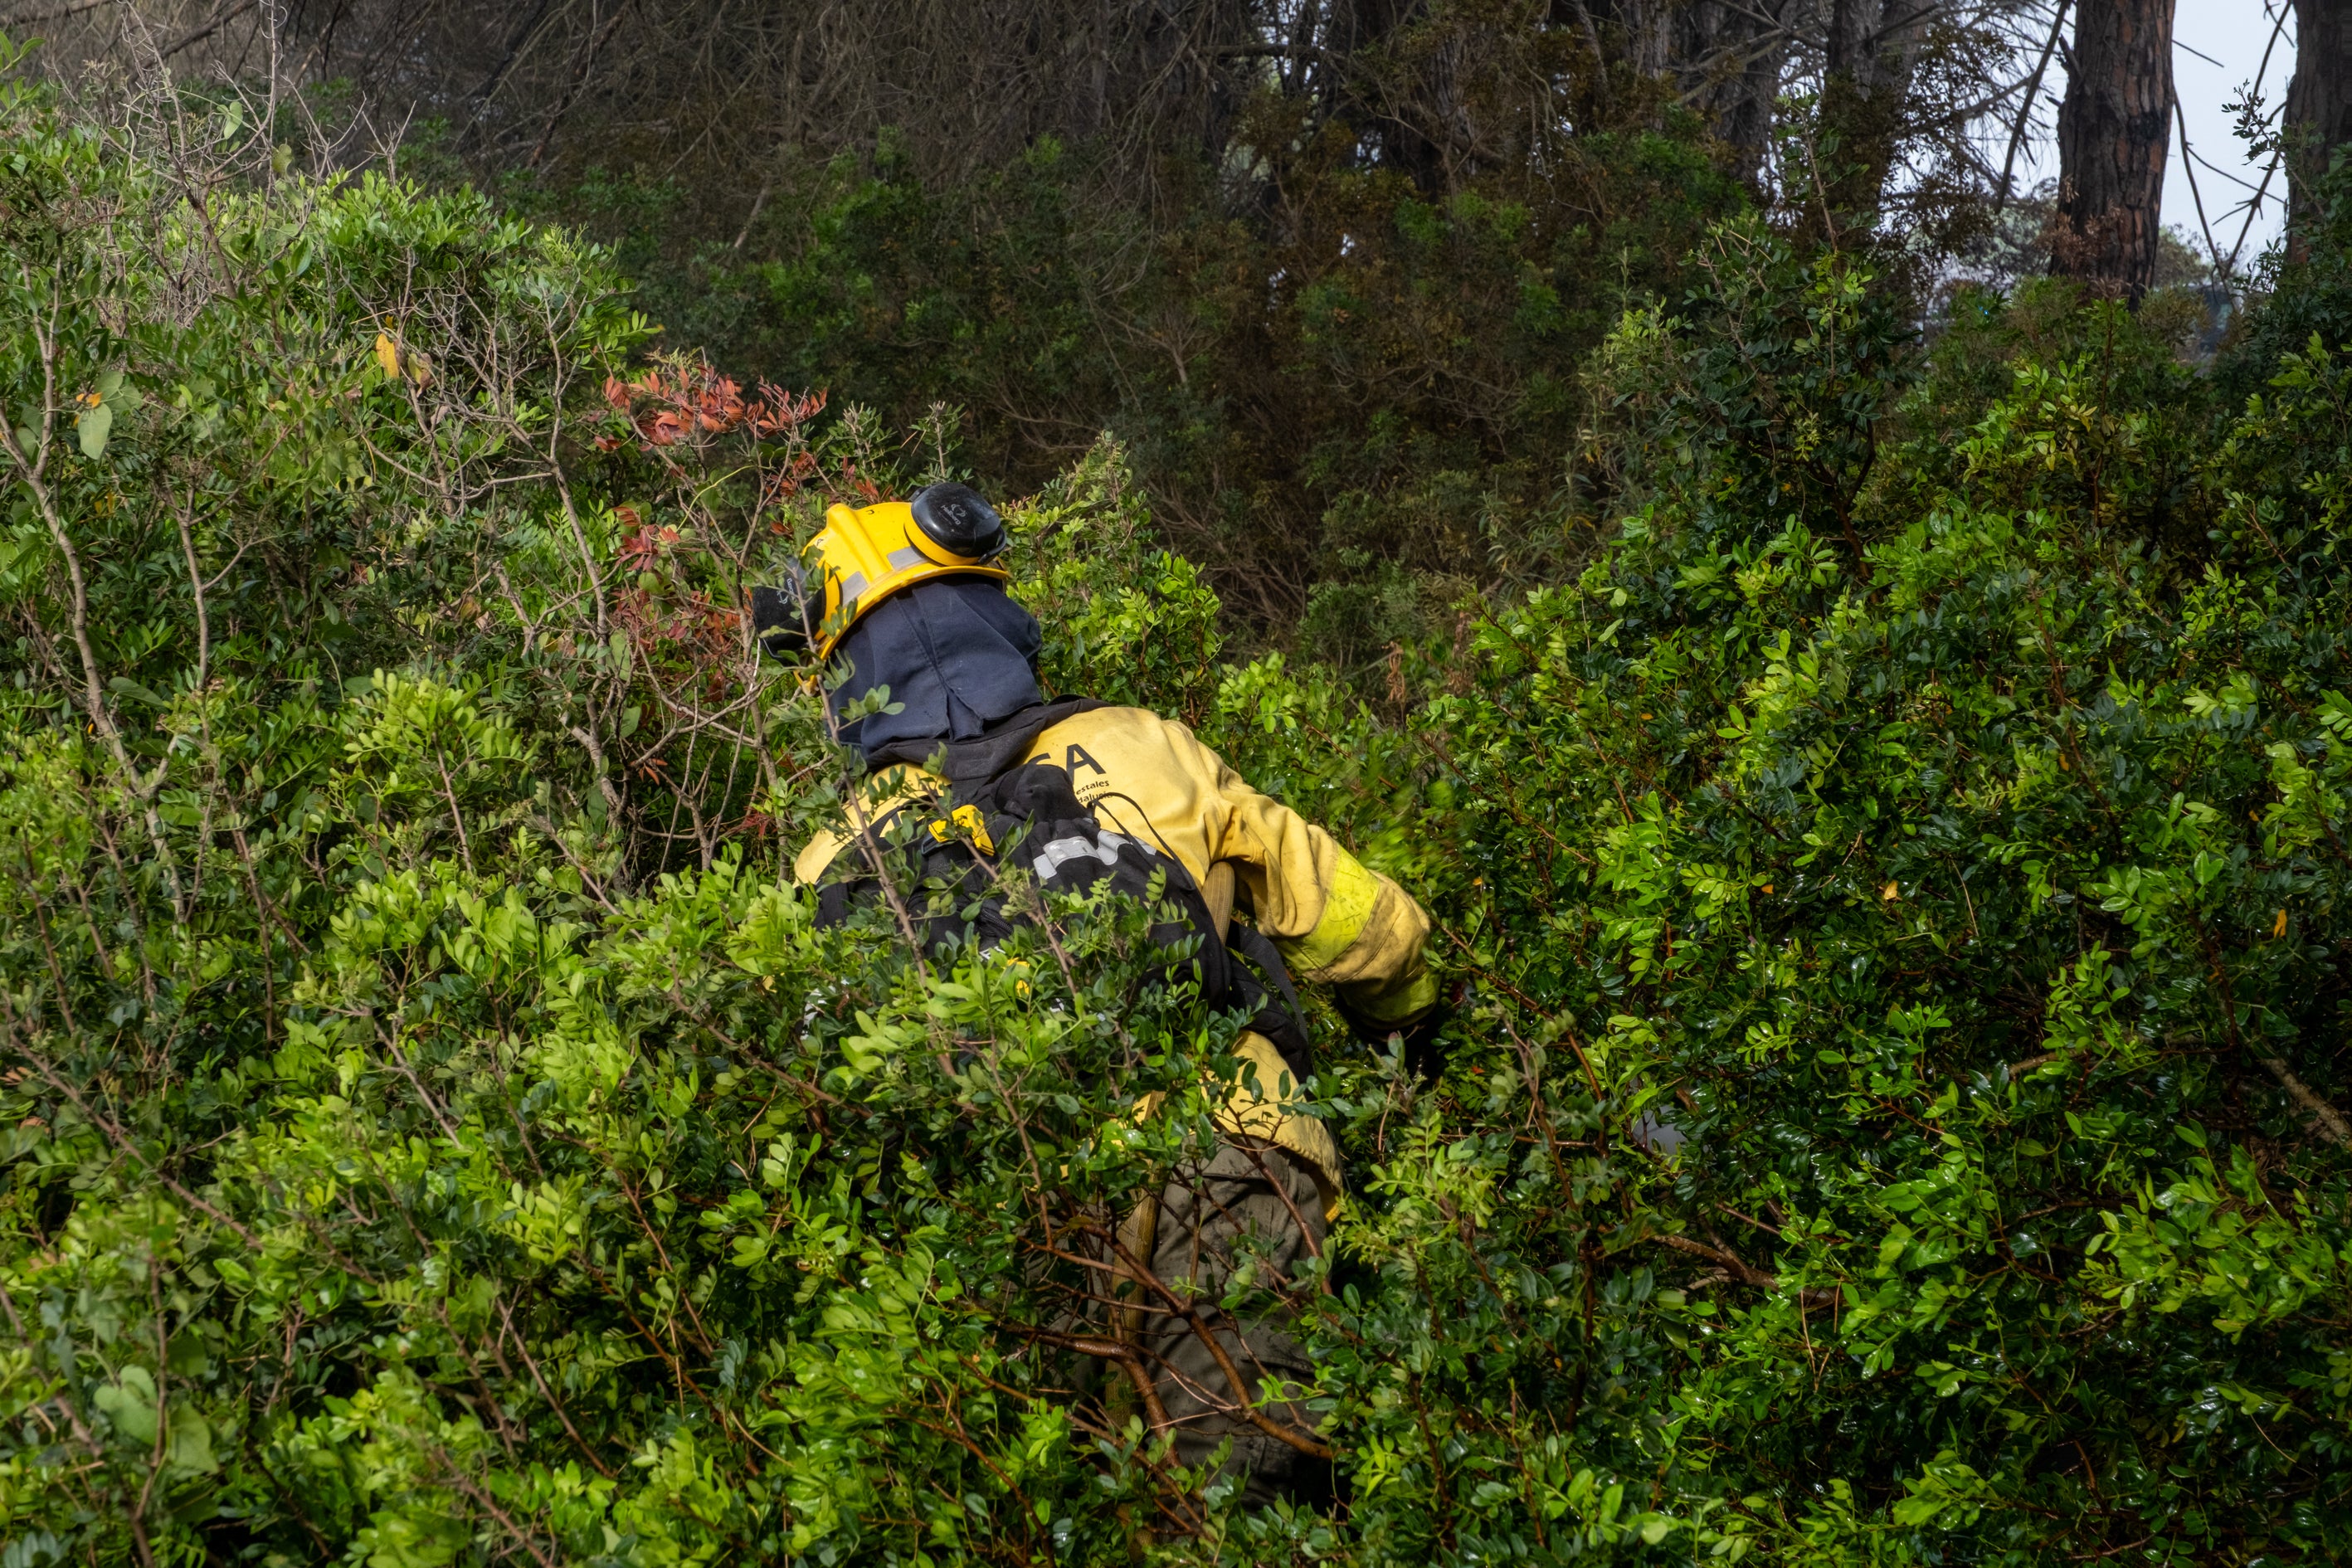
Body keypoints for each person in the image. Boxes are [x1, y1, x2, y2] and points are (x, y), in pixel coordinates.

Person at [760, 483, 1440, 1505]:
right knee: (1264, 1505)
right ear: (994, 612)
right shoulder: (1136, 743)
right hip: (1233, 1160)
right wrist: (1423, 1046)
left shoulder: (827, 861)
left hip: (1015, 1241)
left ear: (840, 677)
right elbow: (1363, 927)